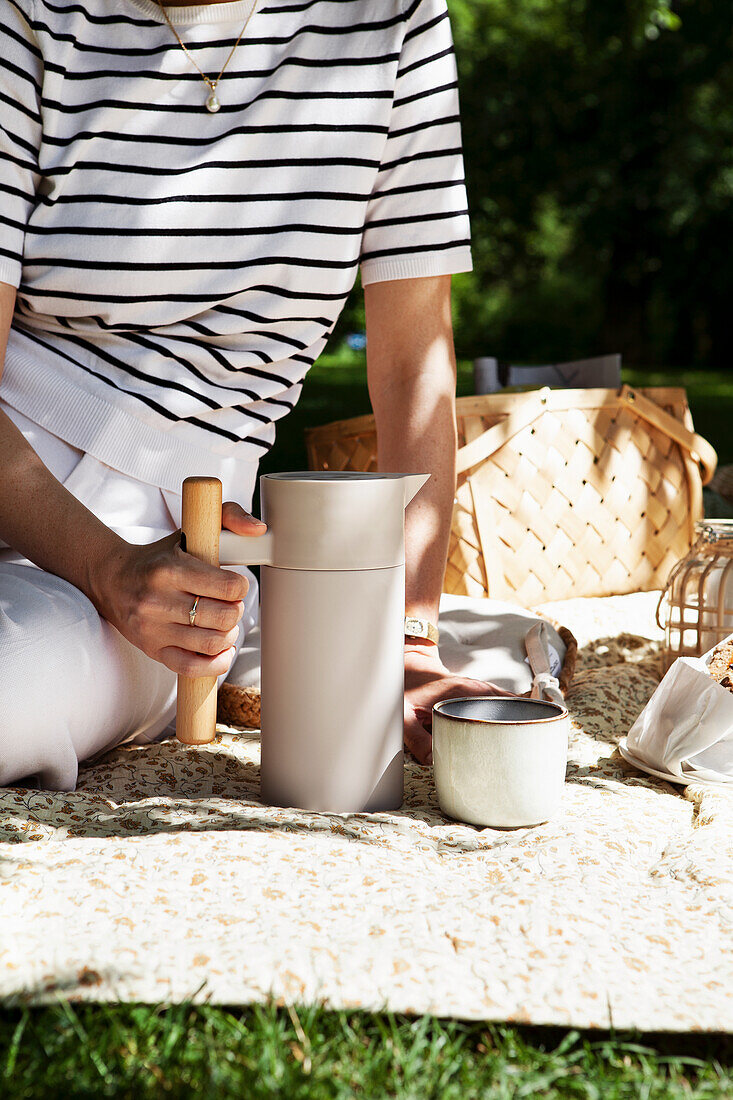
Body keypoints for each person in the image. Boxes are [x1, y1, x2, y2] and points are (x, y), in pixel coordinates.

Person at [0, 0, 504, 790]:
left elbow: (415, 368)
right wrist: (108, 570)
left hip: (175, 554)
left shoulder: (388, 17)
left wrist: (407, 642)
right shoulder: (30, 13)